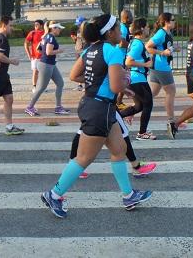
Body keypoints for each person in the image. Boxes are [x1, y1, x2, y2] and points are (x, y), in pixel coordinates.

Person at [41, 14, 152, 218]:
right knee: (83, 158)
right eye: (118, 28)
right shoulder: (113, 51)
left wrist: (100, 82)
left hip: (97, 106)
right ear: (110, 32)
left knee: (119, 149)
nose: (121, 31)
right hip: (99, 110)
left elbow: (74, 75)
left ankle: (129, 195)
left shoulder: (89, 50)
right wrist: (124, 82)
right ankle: (54, 195)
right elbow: (116, 85)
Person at [119, 18, 156, 140]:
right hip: (137, 78)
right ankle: (142, 132)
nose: (148, 29)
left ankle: (115, 118)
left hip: (136, 78)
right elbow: (128, 61)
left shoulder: (135, 42)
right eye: (147, 27)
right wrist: (145, 64)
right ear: (141, 28)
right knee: (148, 104)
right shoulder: (137, 43)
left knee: (139, 106)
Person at [0, 16, 25, 135]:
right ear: (4, 25)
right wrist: (12, 61)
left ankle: (9, 126)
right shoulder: (1, 38)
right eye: (11, 25)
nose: (12, 28)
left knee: (9, 99)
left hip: (3, 74)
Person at [25, 21, 70, 116]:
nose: (60, 30)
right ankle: (30, 107)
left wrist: (45, 55)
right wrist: (59, 51)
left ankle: (58, 107)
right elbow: (49, 52)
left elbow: (39, 49)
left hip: (49, 64)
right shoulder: (51, 37)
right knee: (41, 87)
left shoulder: (45, 36)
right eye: (59, 28)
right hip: (46, 65)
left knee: (60, 83)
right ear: (53, 28)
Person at [145, 13, 180, 133]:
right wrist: (162, 53)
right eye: (173, 20)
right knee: (171, 92)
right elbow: (148, 47)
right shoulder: (161, 33)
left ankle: (131, 112)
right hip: (161, 67)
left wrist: (173, 49)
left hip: (158, 67)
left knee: (150, 95)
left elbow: (166, 47)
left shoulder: (168, 33)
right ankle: (171, 121)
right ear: (166, 22)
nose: (175, 22)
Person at [116, 9, 133, 110]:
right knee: (124, 79)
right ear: (126, 18)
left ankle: (118, 101)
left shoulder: (124, 27)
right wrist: (132, 45)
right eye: (131, 16)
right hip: (121, 57)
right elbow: (121, 43)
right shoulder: (123, 28)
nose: (132, 18)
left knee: (124, 79)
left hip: (123, 57)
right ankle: (118, 102)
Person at [24, 20, 45, 93]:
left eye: (37, 24)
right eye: (35, 24)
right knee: (35, 71)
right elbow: (26, 43)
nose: (35, 26)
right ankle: (34, 86)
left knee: (43, 72)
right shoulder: (32, 33)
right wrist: (29, 54)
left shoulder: (45, 33)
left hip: (44, 56)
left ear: (41, 25)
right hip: (35, 56)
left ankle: (42, 87)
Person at [72, 16, 87, 91]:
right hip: (78, 50)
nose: (78, 25)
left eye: (79, 23)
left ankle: (86, 85)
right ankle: (80, 85)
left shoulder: (86, 31)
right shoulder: (78, 30)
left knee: (86, 68)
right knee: (79, 68)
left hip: (84, 51)